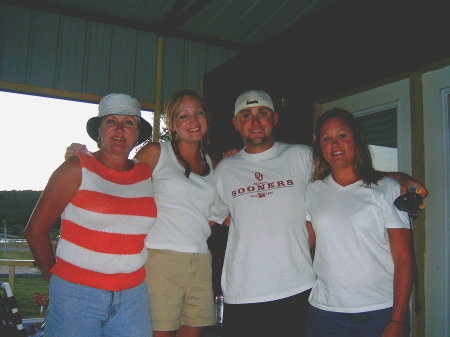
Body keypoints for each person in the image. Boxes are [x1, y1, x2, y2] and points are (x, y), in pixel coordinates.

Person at [209, 90, 427, 337]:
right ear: (235, 123)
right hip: (243, 292)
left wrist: (402, 179)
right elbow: (215, 216)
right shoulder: (225, 169)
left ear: (275, 118)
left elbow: (350, 170)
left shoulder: (300, 156)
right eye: (246, 115)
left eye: (263, 113)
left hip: (299, 289)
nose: (255, 121)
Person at [65, 89, 217, 337]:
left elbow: (212, 212)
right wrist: (84, 160)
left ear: (206, 118)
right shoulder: (156, 152)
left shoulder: (211, 161)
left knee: (193, 330)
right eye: (183, 116)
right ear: (172, 124)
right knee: (161, 331)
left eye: (198, 113)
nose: (193, 121)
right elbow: (118, 177)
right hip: (161, 257)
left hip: (200, 259)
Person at [24, 93, 156, 337]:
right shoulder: (76, 168)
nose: (119, 129)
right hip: (76, 295)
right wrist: (54, 280)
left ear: (137, 134)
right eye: (110, 121)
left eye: (128, 122)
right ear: (99, 131)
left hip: (133, 296)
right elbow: (35, 231)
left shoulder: (146, 174)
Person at [305, 108, 414, 337]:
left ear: (356, 139)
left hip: (379, 312)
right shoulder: (313, 191)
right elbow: (301, 243)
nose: (335, 144)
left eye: (342, 135)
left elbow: (404, 258)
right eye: (327, 139)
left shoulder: (387, 189)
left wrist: (398, 320)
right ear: (320, 147)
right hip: (325, 313)